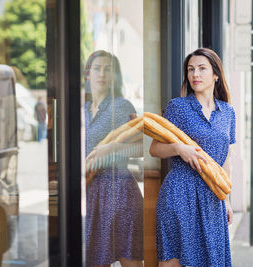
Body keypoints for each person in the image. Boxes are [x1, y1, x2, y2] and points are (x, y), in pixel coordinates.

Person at [149, 48, 236, 267]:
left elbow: (225, 159)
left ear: (216, 75)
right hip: (180, 192)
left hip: (212, 196)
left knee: (211, 260)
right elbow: (155, 149)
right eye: (190, 69)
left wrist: (226, 199)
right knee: (173, 260)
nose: (195, 74)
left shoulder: (228, 112)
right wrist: (179, 149)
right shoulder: (177, 107)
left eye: (201, 68)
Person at [84, 50, 143, 267]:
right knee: (95, 261)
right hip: (91, 195)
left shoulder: (122, 107)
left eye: (108, 69)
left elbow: (142, 147)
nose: (102, 74)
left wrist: (111, 148)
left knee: (131, 261)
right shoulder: (82, 110)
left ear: (115, 75)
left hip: (120, 192)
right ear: (87, 74)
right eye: (97, 68)